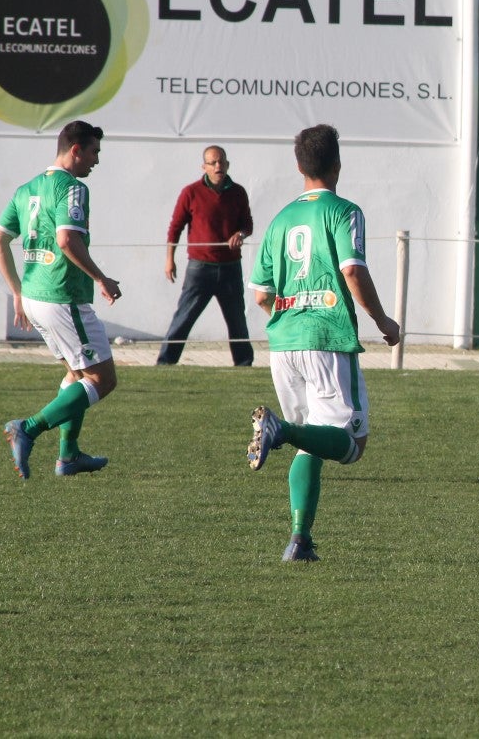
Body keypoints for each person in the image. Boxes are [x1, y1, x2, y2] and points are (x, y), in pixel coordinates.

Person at [244, 124, 400, 562]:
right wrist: (383, 320)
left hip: (284, 342)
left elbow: (260, 294)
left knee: (312, 438)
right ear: (337, 164)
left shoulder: (280, 219)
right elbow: (352, 271)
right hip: (327, 339)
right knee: (351, 446)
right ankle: (279, 430)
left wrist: (292, 311)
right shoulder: (344, 211)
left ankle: (299, 540)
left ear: (299, 166)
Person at [0, 120, 121, 479]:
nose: (96, 161)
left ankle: (68, 456)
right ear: (76, 150)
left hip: (36, 296)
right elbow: (67, 240)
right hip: (62, 296)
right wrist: (102, 279)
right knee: (103, 379)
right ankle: (29, 428)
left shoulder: (27, 189)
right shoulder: (72, 188)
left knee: (76, 372)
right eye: (94, 152)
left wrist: (18, 292)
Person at [156, 145, 254, 366]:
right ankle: (165, 363)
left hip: (230, 267)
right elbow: (175, 228)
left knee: (237, 320)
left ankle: (244, 364)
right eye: (213, 162)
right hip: (200, 268)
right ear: (204, 166)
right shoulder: (191, 192)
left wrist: (240, 234)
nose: (218, 166)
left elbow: (247, 225)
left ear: (227, 165)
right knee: (184, 318)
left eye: (221, 162)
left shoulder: (238, 192)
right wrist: (169, 259)